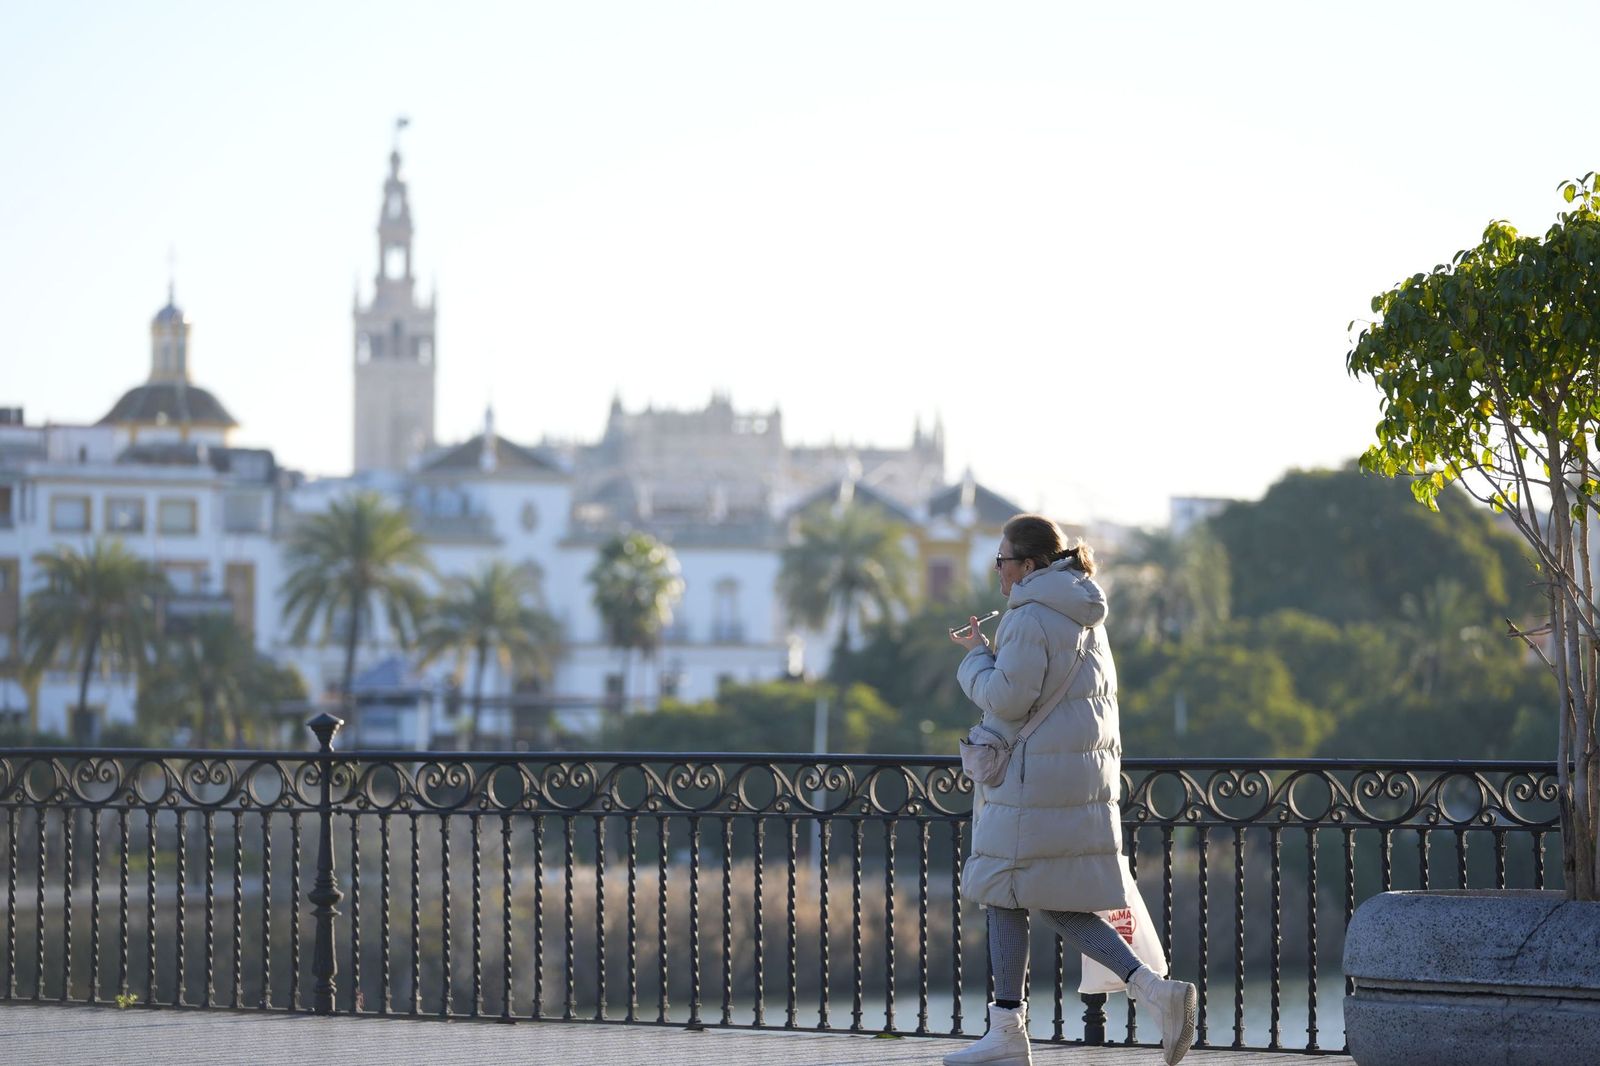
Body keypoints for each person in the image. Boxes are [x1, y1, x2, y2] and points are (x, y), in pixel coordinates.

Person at [944, 514, 1196, 1066]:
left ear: (1029, 565)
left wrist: (973, 656)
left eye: (1003, 560)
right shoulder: (1084, 610)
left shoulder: (1029, 615)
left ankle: (1144, 993)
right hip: (1073, 780)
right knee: (1024, 891)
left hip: (1032, 782)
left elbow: (1006, 699)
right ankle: (1012, 1029)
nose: (999, 572)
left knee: (1007, 887)